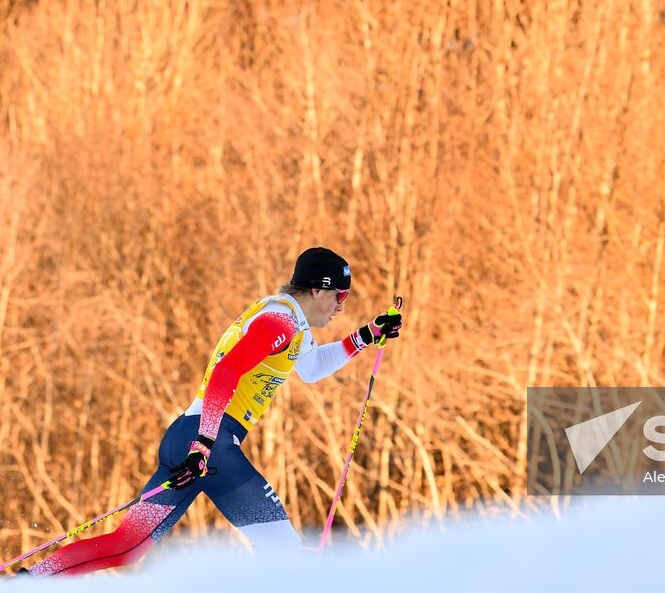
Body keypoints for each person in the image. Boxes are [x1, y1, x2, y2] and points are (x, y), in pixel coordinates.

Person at [27, 247, 403, 576]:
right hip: (210, 443)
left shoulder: (293, 324)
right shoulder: (281, 321)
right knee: (285, 552)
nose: (341, 305)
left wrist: (367, 335)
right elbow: (226, 372)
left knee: (128, 547)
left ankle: (29, 582)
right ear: (317, 289)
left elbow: (313, 368)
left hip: (187, 436)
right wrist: (205, 444)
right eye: (341, 295)